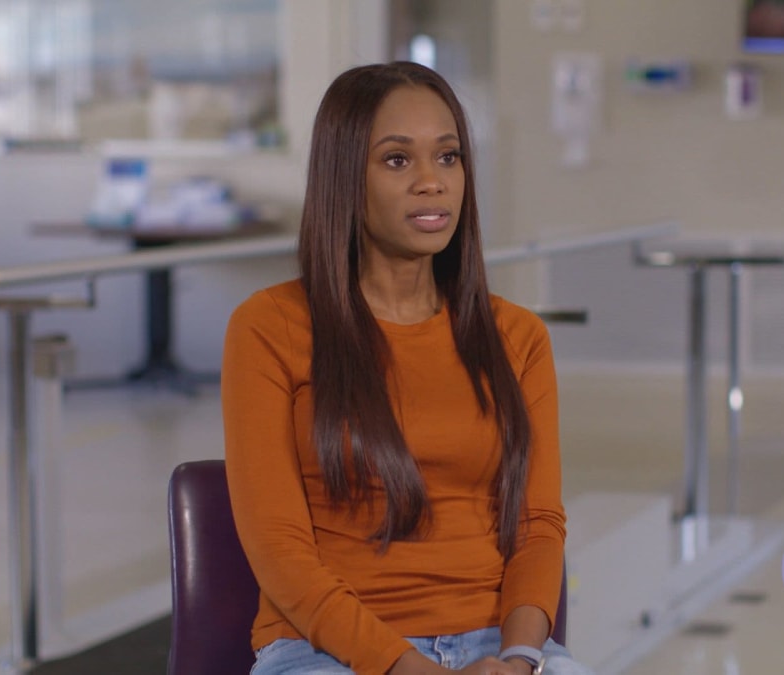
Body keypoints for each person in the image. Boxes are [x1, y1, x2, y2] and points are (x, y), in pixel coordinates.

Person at [222, 62, 594, 675]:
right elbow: (278, 548)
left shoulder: (518, 336)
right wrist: (411, 669)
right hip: (327, 651)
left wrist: (521, 658)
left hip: (498, 646)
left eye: (448, 157)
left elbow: (538, 525)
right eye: (398, 160)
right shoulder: (269, 327)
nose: (432, 182)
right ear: (346, 175)